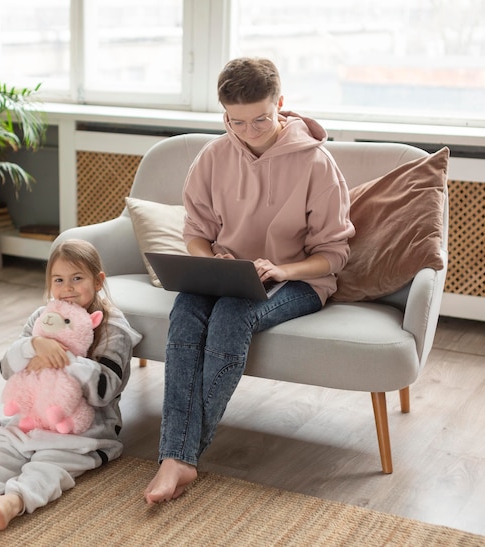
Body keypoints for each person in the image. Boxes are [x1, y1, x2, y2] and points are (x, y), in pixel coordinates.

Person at [144, 57, 355, 504]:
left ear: (280, 103)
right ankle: (177, 460)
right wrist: (212, 258)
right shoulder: (213, 156)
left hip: (299, 280)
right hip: (230, 275)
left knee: (233, 314)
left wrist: (282, 270)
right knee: (185, 309)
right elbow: (196, 236)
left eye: (261, 118)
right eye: (236, 121)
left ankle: (178, 457)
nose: (249, 130)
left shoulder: (317, 163)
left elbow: (333, 256)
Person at [0, 239, 141, 530]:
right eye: (59, 280)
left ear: (98, 281)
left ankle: (13, 502)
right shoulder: (42, 320)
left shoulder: (113, 328)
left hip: (85, 428)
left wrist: (64, 359)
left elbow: (105, 391)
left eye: (77, 279)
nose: (67, 288)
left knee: (50, 464)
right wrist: (33, 345)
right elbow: (6, 369)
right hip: (32, 419)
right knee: (0, 449)